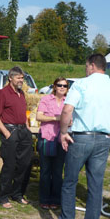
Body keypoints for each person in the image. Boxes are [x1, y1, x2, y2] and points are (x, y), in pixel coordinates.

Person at [52, 54, 110, 219]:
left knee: (69, 183)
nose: (85, 69)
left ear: (91, 66)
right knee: (95, 186)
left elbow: (67, 110)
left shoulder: (82, 84)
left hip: (81, 137)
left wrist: (63, 132)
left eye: (86, 66)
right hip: (103, 140)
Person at [0, 66, 33, 209]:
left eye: (22, 78)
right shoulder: (3, 93)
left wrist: (27, 127)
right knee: (9, 166)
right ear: (10, 78)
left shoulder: (21, 93)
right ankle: (3, 197)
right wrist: (6, 133)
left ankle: (18, 194)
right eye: (18, 78)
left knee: (25, 164)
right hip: (10, 131)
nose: (21, 80)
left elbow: (24, 112)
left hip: (23, 131)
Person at [36, 77, 68, 210]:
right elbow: (39, 116)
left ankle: (55, 199)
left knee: (57, 171)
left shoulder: (69, 102)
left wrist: (67, 121)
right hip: (46, 137)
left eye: (65, 86)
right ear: (54, 86)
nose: (62, 87)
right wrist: (56, 118)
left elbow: (71, 119)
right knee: (45, 170)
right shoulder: (46, 99)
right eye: (59, 85)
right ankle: (44, 199)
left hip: (61, 139)